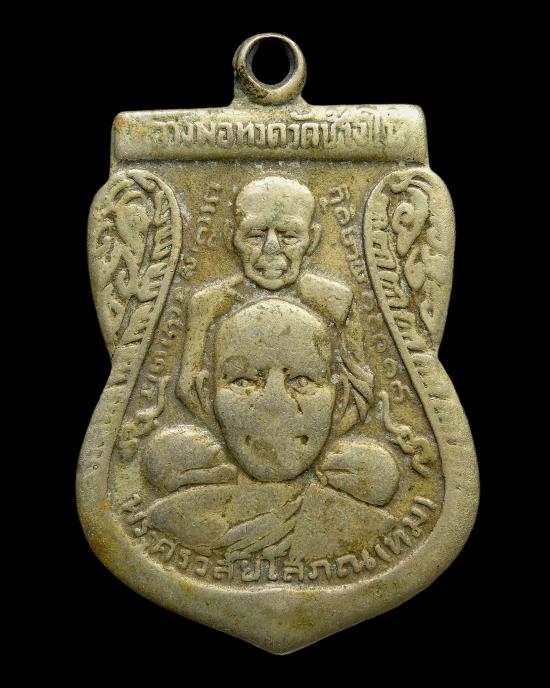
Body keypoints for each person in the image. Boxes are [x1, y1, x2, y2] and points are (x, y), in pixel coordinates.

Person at [142, 298, 399, 563]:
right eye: (244, 381)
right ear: (208, 394)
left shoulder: (368, 529)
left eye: (302, 381)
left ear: (340, 397)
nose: (274, 404)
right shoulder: (170, 521)